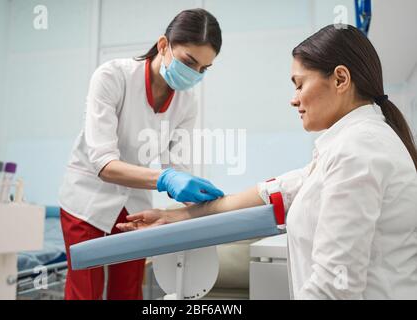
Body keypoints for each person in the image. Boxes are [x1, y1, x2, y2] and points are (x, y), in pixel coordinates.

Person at [117, 25, 417, 299]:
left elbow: (333, 288)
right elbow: (283, 190)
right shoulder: (350, 145)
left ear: (340, 79)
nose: (294, 99)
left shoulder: (357, 150)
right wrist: (177, 217)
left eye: (299, 84)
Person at [58, 8, 224, 300]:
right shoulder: (112, 76)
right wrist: (167, 179)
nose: (195, 74)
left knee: (128, 291)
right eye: (189, 62)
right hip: (88, 198)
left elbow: (178, 170)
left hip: (134, 202)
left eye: (204, 69)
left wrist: (208, 203)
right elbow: (103, 163)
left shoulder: (187, 103)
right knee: (86, 291)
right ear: (163, 45)